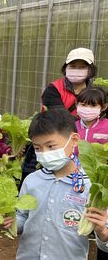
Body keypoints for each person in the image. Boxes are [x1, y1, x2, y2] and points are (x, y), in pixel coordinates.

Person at [3, 109, 108, 260]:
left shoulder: (91, 186)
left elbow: (103, 237)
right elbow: (22, 219)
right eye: (38, 148)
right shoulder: (32, 180)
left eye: (51, 146)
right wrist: (11, 222)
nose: (44, 153)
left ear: (74, 140)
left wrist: (102, 232)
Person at [22, 48, 98, 183]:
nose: (77, 70)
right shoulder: (54, 89)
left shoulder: (96, 92)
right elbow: (60, 119)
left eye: (82, 67)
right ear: (65, 67)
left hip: (83, 145)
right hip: (51, 141)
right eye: (73, 66)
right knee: (34, 172)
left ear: (90, 70)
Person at [74, 88, 108, 260]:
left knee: (101, 220)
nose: (86, 108)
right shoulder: (71, 126)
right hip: (76, 179)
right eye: (83, 104)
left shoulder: (106, 126)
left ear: (103, 107)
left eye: (92, 105)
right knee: (75, 216)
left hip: (100, 182)